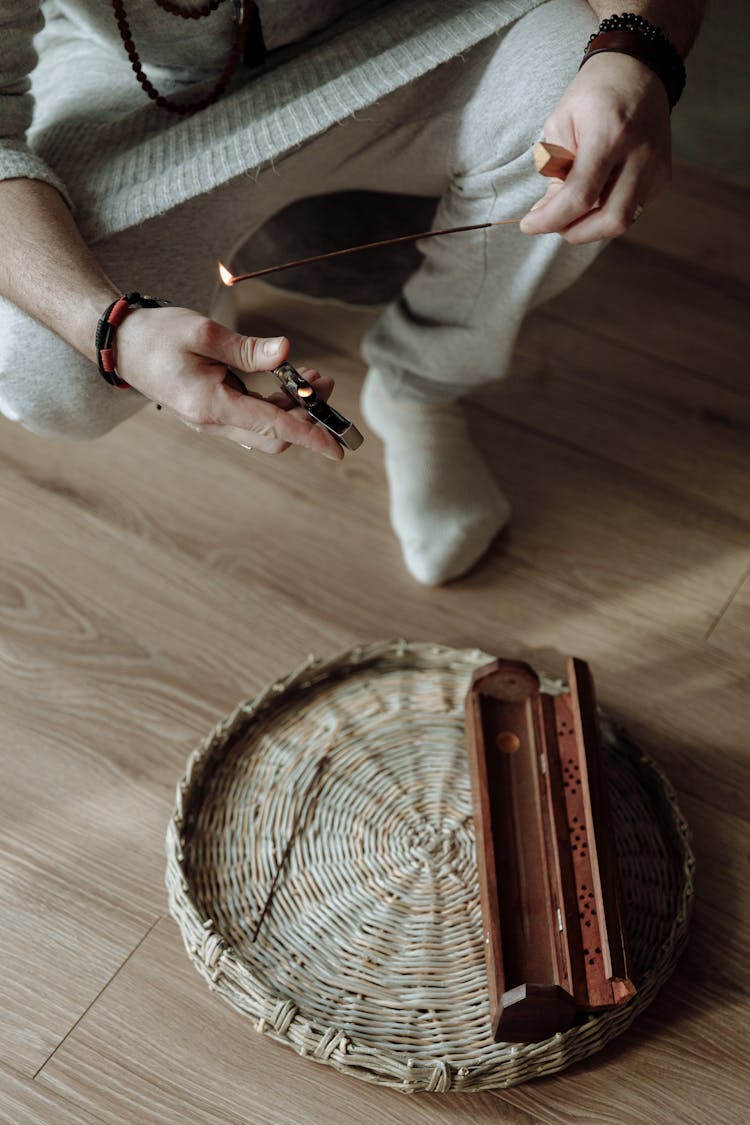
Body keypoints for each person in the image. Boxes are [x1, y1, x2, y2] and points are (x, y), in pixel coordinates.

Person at [0, 0, 704, 584]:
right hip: (127, 81)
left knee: (564, 108)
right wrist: (112, 327)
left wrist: (633, 49)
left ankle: (421, 383)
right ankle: (191, 312)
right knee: (46, 362)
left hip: (426, 24)